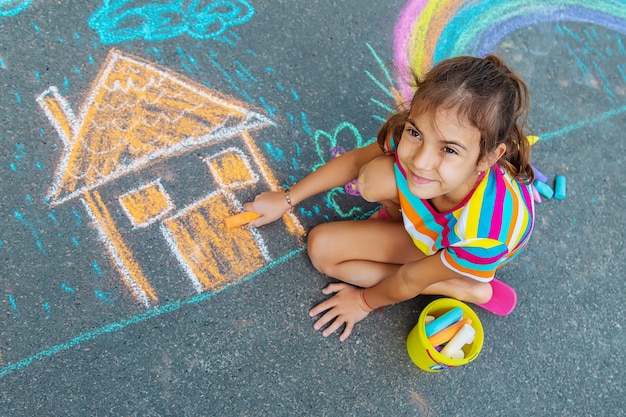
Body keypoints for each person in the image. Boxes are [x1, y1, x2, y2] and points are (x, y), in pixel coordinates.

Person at [243, 54, 535, 342]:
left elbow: (410, 280)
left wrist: (362, 302)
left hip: (456, 245)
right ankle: (402, 224)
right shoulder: (416, 136)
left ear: (488, 157)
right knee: (372, 179)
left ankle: (466, 287)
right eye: (416, 133)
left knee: (324, 252)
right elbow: (356, 162)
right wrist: (286, 199)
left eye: (449, 150)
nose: (421, 160)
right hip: (437, 211)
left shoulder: (484, 235)